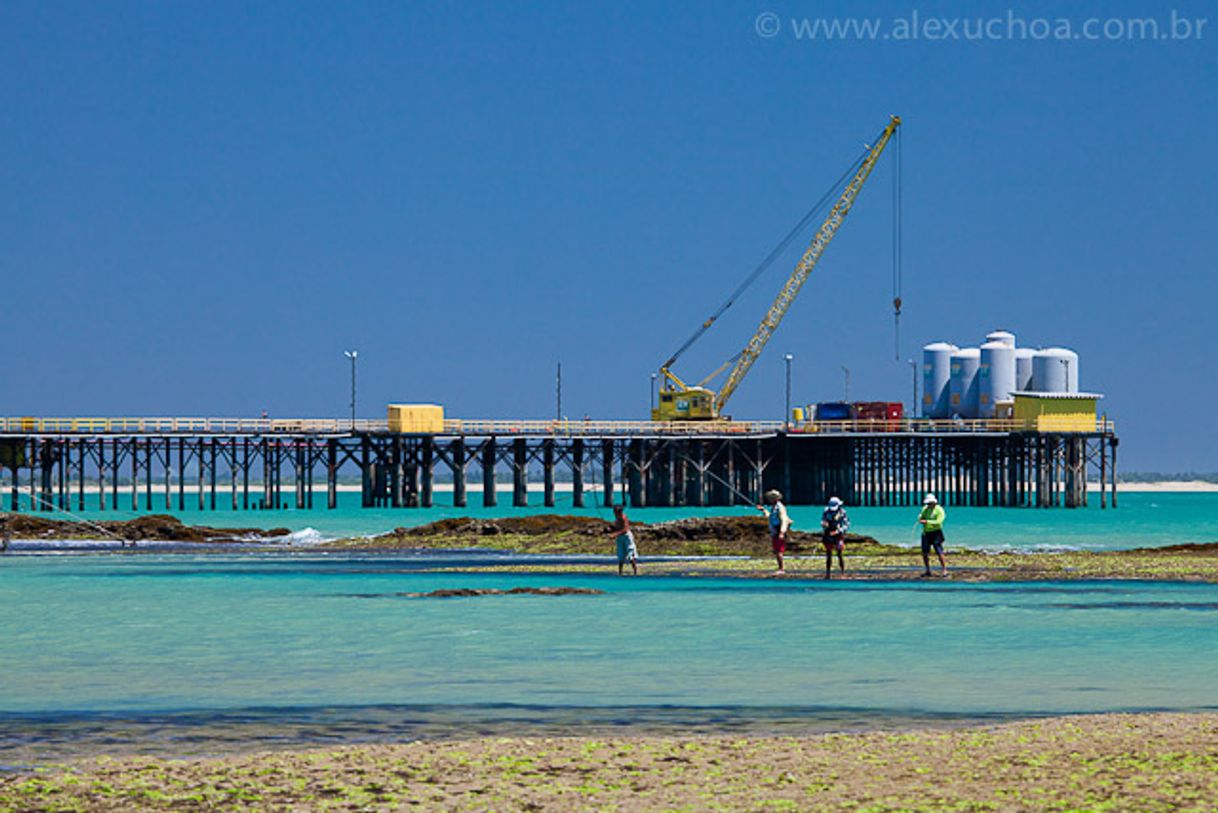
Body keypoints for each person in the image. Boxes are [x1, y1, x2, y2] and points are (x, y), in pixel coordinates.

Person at [757, 489, 791, 574]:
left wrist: (782, 532)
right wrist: (763, 510)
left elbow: (784, 520)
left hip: (778, 530)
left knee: (779, 550)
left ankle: (781, 569)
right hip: (775, 531)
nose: (769, 499)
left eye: (771, 498)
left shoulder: (780, 507)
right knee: (777, 550)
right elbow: (770, 517)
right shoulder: (774, 507)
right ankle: (780, 568)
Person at [918, 493, 948, 577]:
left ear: (934, 502)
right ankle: (927, 570)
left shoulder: (939, 510)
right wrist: (920, 518)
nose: (928, 505)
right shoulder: (925, 509)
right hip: (926, 533)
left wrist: (927, 521)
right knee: (925, 552)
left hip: (936, 533)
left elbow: (939, 521)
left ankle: (944, 570)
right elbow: (921, 516)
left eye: (930, 503)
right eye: (927, 504)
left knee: (939, 551)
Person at [820, 497, 849, 579]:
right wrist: (824, 525)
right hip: (828, 533)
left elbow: (846, 524)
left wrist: (838, 531)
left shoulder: (842, 512)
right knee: (828, 554)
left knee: (839, 554)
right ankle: (828, 573)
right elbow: (823, 521)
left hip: (838, 534)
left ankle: (842, 573)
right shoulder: (826, 511)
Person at [609, 504, 638, 576]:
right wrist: (612, 528)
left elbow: (625, 529)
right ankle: (620, 572)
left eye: (615, 511)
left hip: (626, 537)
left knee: (630, 554)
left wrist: (615, 534)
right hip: (620, 538)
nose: (614, 513)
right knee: (620, 555)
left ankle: (635, 571)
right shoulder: (617, 518)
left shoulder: (624, 518)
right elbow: (617, 528)